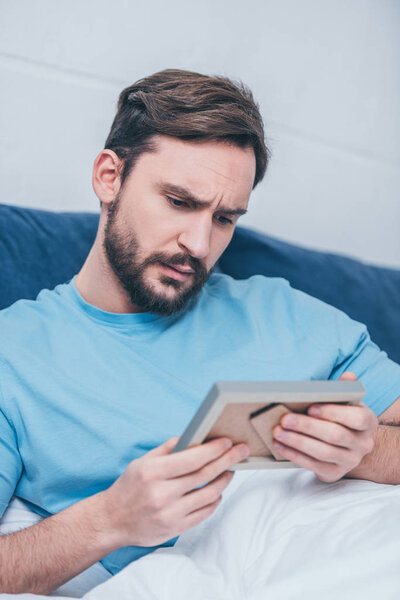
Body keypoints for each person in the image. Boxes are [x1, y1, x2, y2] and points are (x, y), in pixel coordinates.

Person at [0, 69, 399, 596]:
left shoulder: (288, 312)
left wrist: (362, 452)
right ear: (108, 177)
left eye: (226, 218)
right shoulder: (15, 354)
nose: (200, 244)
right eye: (180, 202)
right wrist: (111, 520)